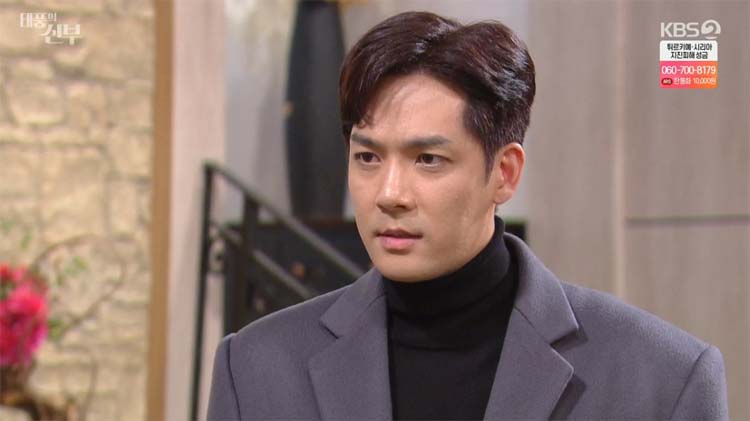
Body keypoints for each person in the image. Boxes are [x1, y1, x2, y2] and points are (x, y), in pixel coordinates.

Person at [207, 11, 728, 420]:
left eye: (427, 160)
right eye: (367, 157)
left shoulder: (662, 379)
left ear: (504, 173)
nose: (389, 194)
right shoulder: (255, 368)